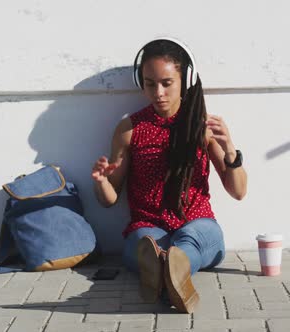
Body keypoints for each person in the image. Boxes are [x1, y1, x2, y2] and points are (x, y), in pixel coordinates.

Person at [91, 37, 247, 313]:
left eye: (166, 83)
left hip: (197, 225)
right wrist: (102, 182)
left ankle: (167, 272)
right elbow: (109, 200)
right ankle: (173, 277)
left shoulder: (202, 126)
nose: (158, 92)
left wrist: (230, 150)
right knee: (146, 248)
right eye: (150, 84)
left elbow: (238, 191)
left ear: (185, 80)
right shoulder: (130, 129)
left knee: (191, 241)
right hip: (148, 231)